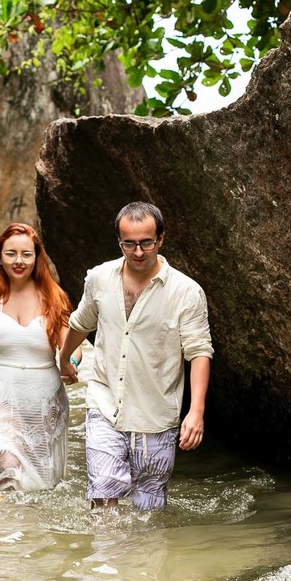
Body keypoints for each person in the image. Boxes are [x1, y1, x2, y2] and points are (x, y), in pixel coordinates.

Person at [59, 201, 213, 510]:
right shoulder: (99, 278)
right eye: (129, 244)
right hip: (104, 405)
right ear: (119, 241)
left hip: (157, 416)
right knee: (103, 496)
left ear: (161, 239)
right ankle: (107, 544)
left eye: (146, 243)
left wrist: (196, 412)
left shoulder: (186, 292)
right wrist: (64, 360)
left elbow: (198, 352)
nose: (138, 252)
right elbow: (80, 323)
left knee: (148, 511)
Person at [0, 223, 81, 491]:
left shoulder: (54, 298)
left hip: (42, 401)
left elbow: (71, 345)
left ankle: (25, 520)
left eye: (26, 254)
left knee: (37, 485)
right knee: (8, 474)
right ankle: (3, 518)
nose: (19, 261)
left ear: (36, 257)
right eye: (11, 253)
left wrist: (71, 363)